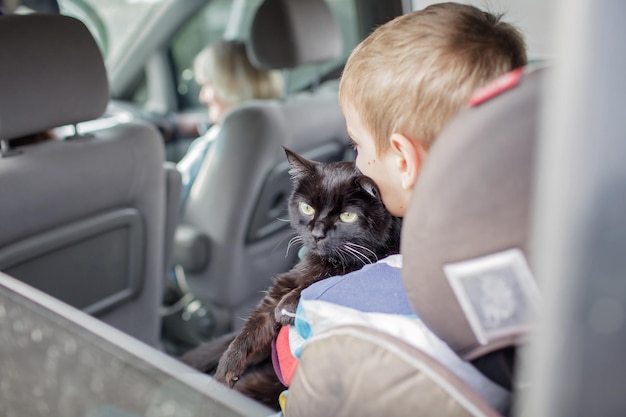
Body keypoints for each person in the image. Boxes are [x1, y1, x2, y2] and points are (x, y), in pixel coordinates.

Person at [274, 2, 527, 414]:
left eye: (358, 146)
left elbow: (291, 372)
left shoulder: (336, 308)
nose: (356, 162)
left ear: (403, 161)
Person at [177, 39, 284, 207]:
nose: (202, 97)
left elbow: (171, 199)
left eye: (208, 84)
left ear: (231, 85)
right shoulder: (287, 122)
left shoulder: (218, 141)